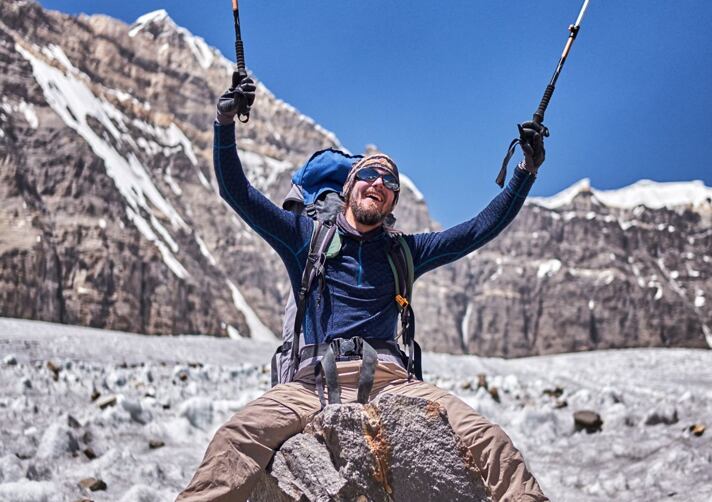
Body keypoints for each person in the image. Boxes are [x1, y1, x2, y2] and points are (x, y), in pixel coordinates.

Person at [177, 77, 549, 502]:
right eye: (369, 175)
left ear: (392, 204)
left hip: (392, 385)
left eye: (389, 183)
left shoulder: (404, 251)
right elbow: (237, 192)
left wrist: (526, 172)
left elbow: (478, 230)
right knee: (236, 439)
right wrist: (225, 120)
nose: (378, 184)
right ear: (350, 186)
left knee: (487, 438)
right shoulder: (305, 237)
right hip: (308, 385)